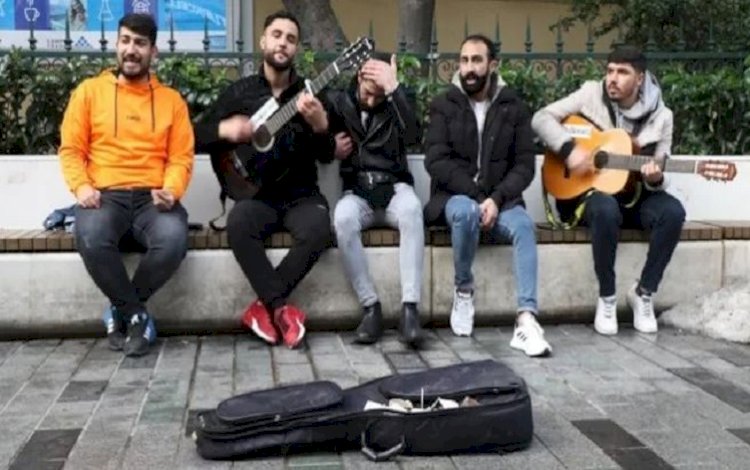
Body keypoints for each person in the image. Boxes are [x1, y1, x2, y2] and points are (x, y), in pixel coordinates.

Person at [194, 11, 334, 349]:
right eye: (276, 35)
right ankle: (282, 308)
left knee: (319, 229)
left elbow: (328, 153)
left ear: (296, 48)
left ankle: (265, 308)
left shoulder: (309, 94)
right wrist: (225, 129)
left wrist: (319, 126)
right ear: (263, 41)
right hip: (254, 192)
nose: (282, 42)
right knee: (239, 223)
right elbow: (195, 135)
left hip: (301, 194)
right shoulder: (239, 93)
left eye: (290, 38)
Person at [58, 13, 195, 357]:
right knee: (90, 236)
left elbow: (181, 157)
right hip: (105, 196)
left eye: (139, 43)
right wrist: (82, 188)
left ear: (154, 52)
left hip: (153, 198)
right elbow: (72, 150)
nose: (131, 50)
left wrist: (172, 190)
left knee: (173, 239)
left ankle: (120, 310)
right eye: (125, 41)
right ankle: (136, 314)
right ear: (116, 45)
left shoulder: (171, 101)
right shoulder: (88, 92)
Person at [532, 45, 685, 336]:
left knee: (673, 212)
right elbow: (541, 118)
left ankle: (644, 292)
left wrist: (654, 179)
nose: (612, 78)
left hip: (634, 196)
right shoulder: (591, 93)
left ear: (640, 79)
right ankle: (607, 298)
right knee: (604, 207)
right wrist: (569, 150)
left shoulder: (662, 117)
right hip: (586, 195)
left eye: (622, 72)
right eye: (610, 70)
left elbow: (661, 171)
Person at [424, 34, 551, 357]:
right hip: (454, 198)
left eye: (476, 60)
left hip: (502, 201)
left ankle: (526, 319)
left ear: (492, 65)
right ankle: (464, 289)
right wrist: (479, 196)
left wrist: (496, 198)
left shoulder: (514, 107)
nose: (469, 68)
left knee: (523, 227)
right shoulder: (443, 104)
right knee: (466, 211)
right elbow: (436, 161)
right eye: (464, 60)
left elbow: (524, 166)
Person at [327, 54, 424, 347]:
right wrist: (329, 145)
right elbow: (315, 134)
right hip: (358, 192)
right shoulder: (339, 103)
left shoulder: (396, 101)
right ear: (359, 79)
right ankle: (370, 307)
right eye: (368, 92)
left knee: (412, 210)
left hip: (394, 188)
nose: (372, 101)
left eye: (379, 95)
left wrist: (393, 89)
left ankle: (410, 309)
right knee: (342, 218)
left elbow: (414, 135)